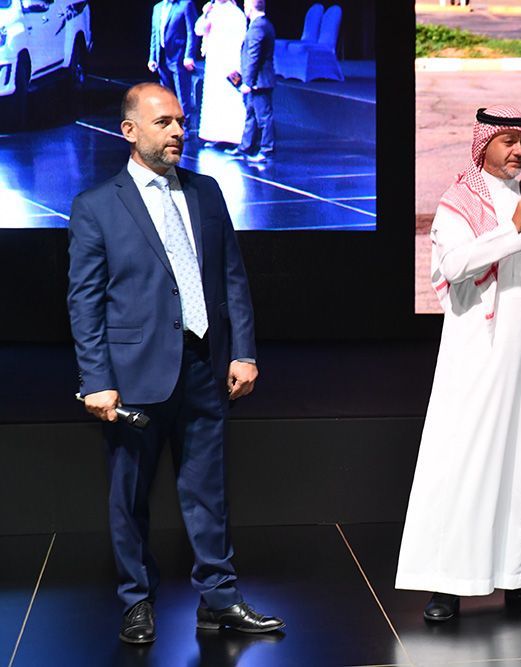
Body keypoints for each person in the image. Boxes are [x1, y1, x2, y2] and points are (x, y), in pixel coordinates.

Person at [67, 83, 284, 644]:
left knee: (209, 490)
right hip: (134, 377)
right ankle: (136, 601)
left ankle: (220, 600)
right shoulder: (97, 206)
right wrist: (96, 381)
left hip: (204, 367)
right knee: (130, 497)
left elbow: (232, 278)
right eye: (164, 123)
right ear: (129, 130)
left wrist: (243, 350)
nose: (178, 133)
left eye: (181, 122)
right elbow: (85, 302)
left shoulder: (206, 192)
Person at [395, 105, 521, 622]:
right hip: (477, 351)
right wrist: (512, 230)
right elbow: (453, 268)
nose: (518, 151)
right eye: (507, 142)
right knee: (467, 461)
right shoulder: (458, 204)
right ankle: (448, 585)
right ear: (484, 146)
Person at [225, 0, 275, 163]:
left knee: (263, 117)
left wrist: (247, 81)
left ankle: (267, 150)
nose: (244, 8)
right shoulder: (262, 24)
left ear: (251, 7)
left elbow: (254, 56)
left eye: (246, 5)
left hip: (259, 81)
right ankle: (245, 147)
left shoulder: (258, 27)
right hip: (257, 80)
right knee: (251, 115)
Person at [194, 0, 247, 146]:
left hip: (230, 61)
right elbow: (199, 30)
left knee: (230, 98)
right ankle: (215, 136)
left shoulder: (235, 12)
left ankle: (234, 137)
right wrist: (205, 14)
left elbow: (241, 37)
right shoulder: (212, 9)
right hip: (214, 62)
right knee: (214, 99)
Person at [149, 0, 199, 137]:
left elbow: (191, 32)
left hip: (179, 58)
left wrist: (189, 55)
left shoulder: (185, 5)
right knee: (166, 94)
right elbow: (155, 34)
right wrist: (152, 57)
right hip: (163, 58)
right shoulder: (157, 8)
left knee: (182, 94)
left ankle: (184, 127)